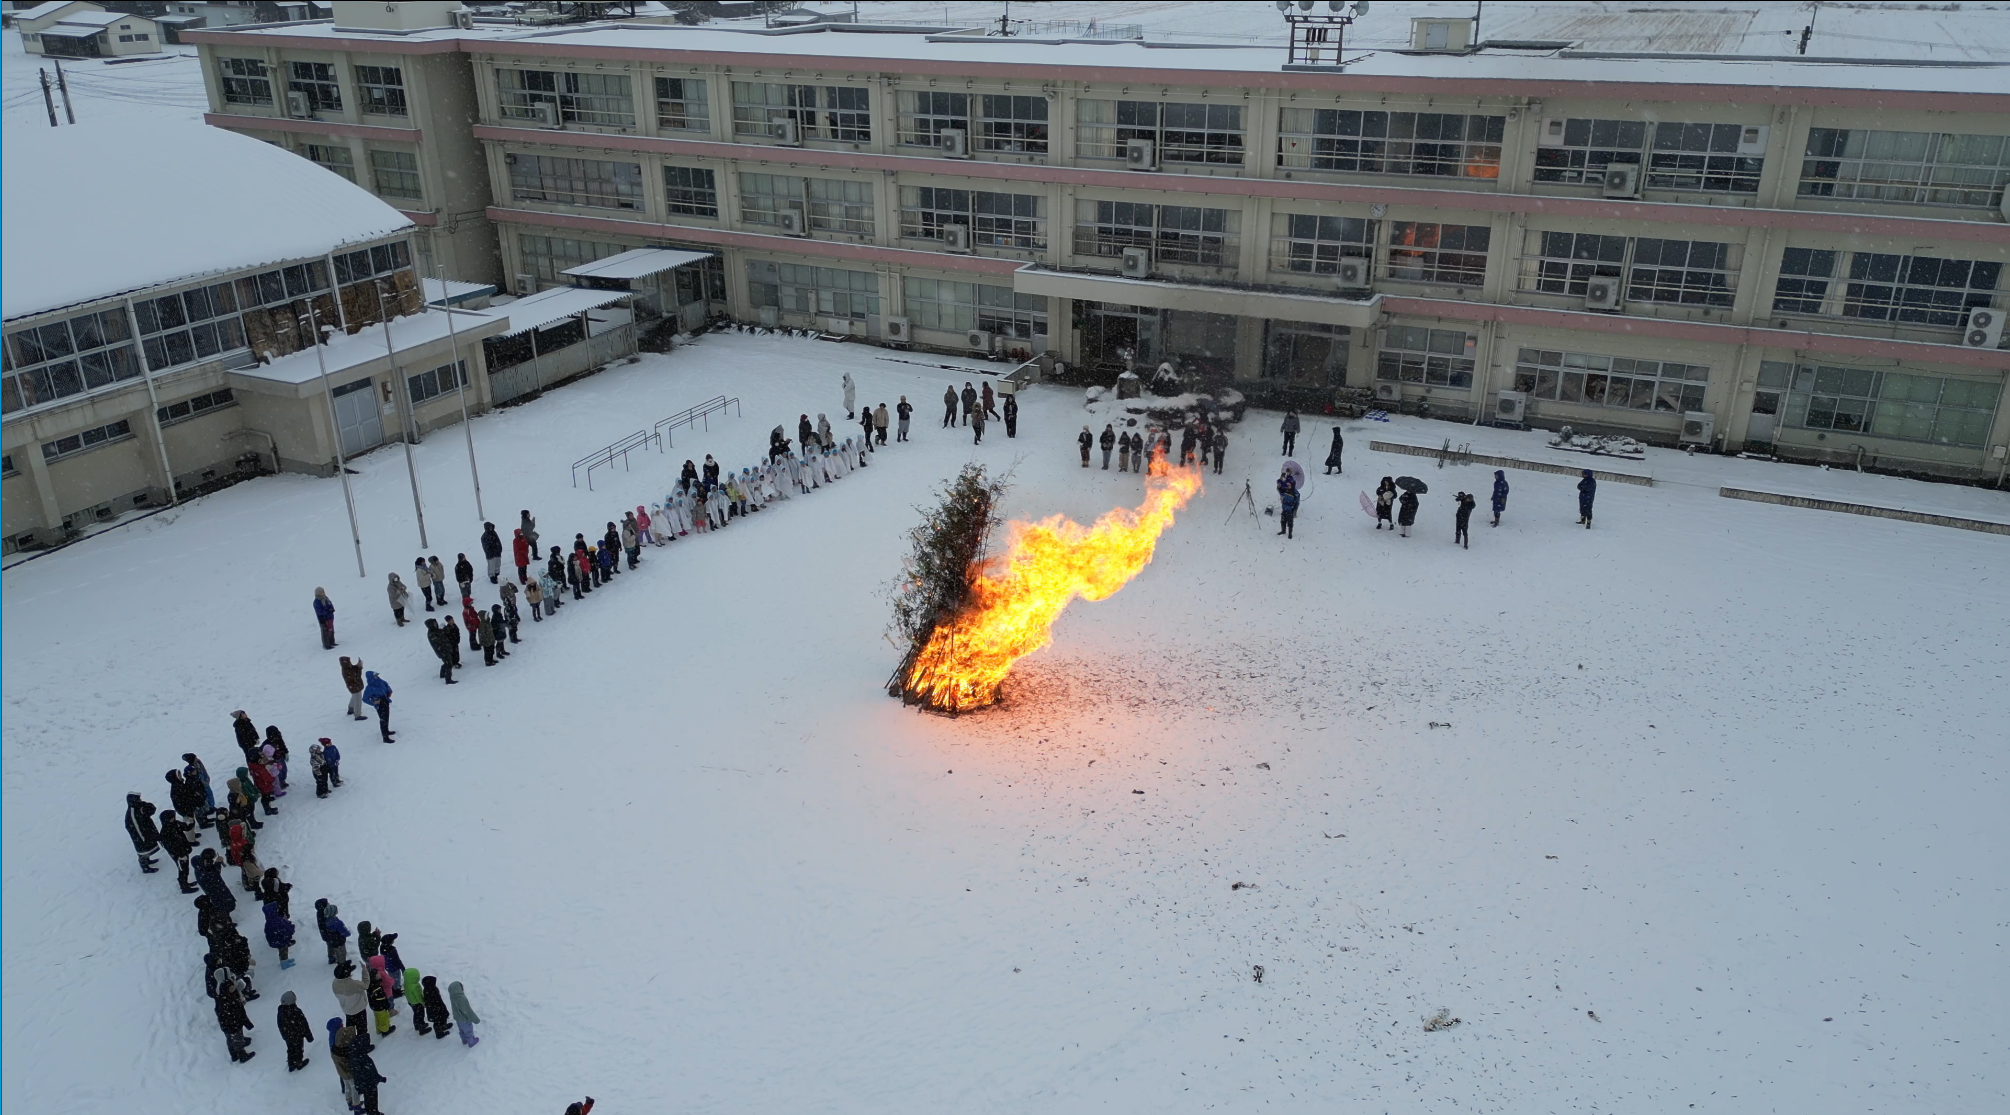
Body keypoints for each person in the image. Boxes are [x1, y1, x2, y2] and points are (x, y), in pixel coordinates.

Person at [347, 1028, 387, 1115]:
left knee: (368, 1100)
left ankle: (370, 1112)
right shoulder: (363, 1059)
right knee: (372, 1100)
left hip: (365, 1085)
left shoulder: (355, 1056)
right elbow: (371, 1072)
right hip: (370, 1085)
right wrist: (378, 1078)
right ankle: (374, 1113)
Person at [216, 977, 256, 1063]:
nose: (233, 988)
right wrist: (242, 1022)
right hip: (233, 1025)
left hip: (227, 1025)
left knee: (230, 1040)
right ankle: (242, 1056)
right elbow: (239, 1012)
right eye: (231, 988)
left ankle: (234, 1055)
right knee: (237, 1039)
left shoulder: (222, 999)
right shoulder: (229, 1001)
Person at [124, 792, 161, 875]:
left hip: (146, 832)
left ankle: (148, 860)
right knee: (142, 851)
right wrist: (143, 838)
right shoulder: (132, 813)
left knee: (147, 849)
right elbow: (136, 828)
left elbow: (150, 810)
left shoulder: (138, 807)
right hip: (140, 836)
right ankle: (145, 867)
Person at [277, 990, 314, 1071]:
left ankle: (291, 1064)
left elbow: (280, 1025)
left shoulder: (281, 1011)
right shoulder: (296, 1011)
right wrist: (308, 1036)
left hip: (288, 1036)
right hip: (297, 1035)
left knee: (290, 1048)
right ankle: (299, 1063)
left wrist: (284, 1035)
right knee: (298, 1049)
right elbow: (304, 1024)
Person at [329, 1020, 361, 1111]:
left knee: (347, 1086)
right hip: (349, 1073)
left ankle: (349, 1101)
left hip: (341, 1073)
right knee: (354, 1088)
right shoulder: (346, 1052)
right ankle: (356, 1105)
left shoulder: (335, 1049)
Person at [332, 960, 367, 1031]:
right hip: (359, 1010)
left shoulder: (335, 983)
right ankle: (363, 1040)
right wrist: (365, 971)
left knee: (350, 1029)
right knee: (362, 1029)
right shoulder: (353, 984)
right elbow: (365, 985)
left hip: (347, 1010)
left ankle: (351, 1039)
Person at [263, 899, 296, 969]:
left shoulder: (268, 922)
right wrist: (292, 928)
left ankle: (283, 961)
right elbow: (286, 928)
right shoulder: (278, 920)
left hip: (275, 940)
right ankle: (284, 964)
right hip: (281, 940)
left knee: (281, 951)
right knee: (284, 951)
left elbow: (267, 932)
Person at [362, 671, 393, 743]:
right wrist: (373, 702)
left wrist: (389, 691)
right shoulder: (369, 688)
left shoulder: (380, 681)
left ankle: (386, 730)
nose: (377, 677)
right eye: (375, 676)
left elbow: (387, 685)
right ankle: (385, 737)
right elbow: (365, 699)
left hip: (385, 700)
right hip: (379, 705)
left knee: (387, 717)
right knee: (383, 719)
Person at [448, 980, 481, 1047]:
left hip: (457, 1018)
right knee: (468, 1030)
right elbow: (467, 1011)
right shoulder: (461, 999)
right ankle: (471, 1042)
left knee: (462, 1030)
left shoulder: (453, 997)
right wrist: (475, 1019)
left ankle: (464, 1040)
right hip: (464, 1019)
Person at [421, 974, 453, 1040]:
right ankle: (439, 1033)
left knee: (443, 1017)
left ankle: (443, 1026)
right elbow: (431, 1002)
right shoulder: (429, 991)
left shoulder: (431, 988)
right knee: (437, 1021)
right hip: (435, 1009)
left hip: (439, 1006)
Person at [339, 656, 367, 721]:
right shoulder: (346, 670)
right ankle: (357, 715)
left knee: (355, 697)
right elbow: (356, 676)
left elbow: (353, 670)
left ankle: (351, 709)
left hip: (355, 686)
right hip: (355, 687)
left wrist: (357, 666)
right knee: (358, 700)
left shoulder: (347, 667)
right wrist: (359, 667)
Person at [403, 967, 427, 1039]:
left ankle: (417, 1025)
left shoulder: (407, 982)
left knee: (416, 1014)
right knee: (420, 1014)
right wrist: (423, 1002)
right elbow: (418, 996)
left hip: (411, 1001)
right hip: (417, 1003)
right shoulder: (415, 986)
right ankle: (421, 1028)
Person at [1276, 470, 1300, 539]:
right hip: (1284, 508)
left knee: (1290, 523)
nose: (1288, 485)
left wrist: (1294, 509)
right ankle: (1283, 530)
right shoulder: (1285, 490)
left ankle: (1290, 533)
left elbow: (1297, 502)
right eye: (1288, 484)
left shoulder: (1294, 493)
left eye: (1289, 485)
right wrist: (1279, 486)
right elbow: (1280, 489)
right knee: (1283, 520)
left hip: (1290, 510)